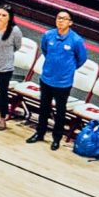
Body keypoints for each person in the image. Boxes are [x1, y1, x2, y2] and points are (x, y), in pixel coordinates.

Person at [29, 11, 87, 150]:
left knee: (60, 112)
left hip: (63, 83)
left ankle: (56, 138)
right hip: (46, 78)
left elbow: (81, 59)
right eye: (58, 18)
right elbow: (45, 50)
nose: (60, 21)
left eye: (64, 19)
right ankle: (40, 133)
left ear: (70, 22)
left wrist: (68, 69)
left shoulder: (76, 40)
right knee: (43, 108)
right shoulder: (48, 35)